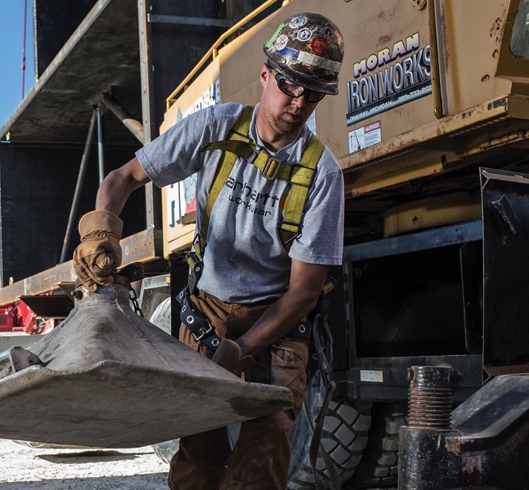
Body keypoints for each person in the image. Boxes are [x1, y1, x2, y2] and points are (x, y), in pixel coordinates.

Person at [72, 12, 345, 489]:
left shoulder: (321, 175)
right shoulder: (218, 128)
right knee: (198, 452)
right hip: (208, 309)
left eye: (313, 93)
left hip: (278, 323)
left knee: (265, 451)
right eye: (290, 85)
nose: (299, 102)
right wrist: (100, 236)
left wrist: (243, 349)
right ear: (266, 75)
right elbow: (122, 179)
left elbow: (303, 292)